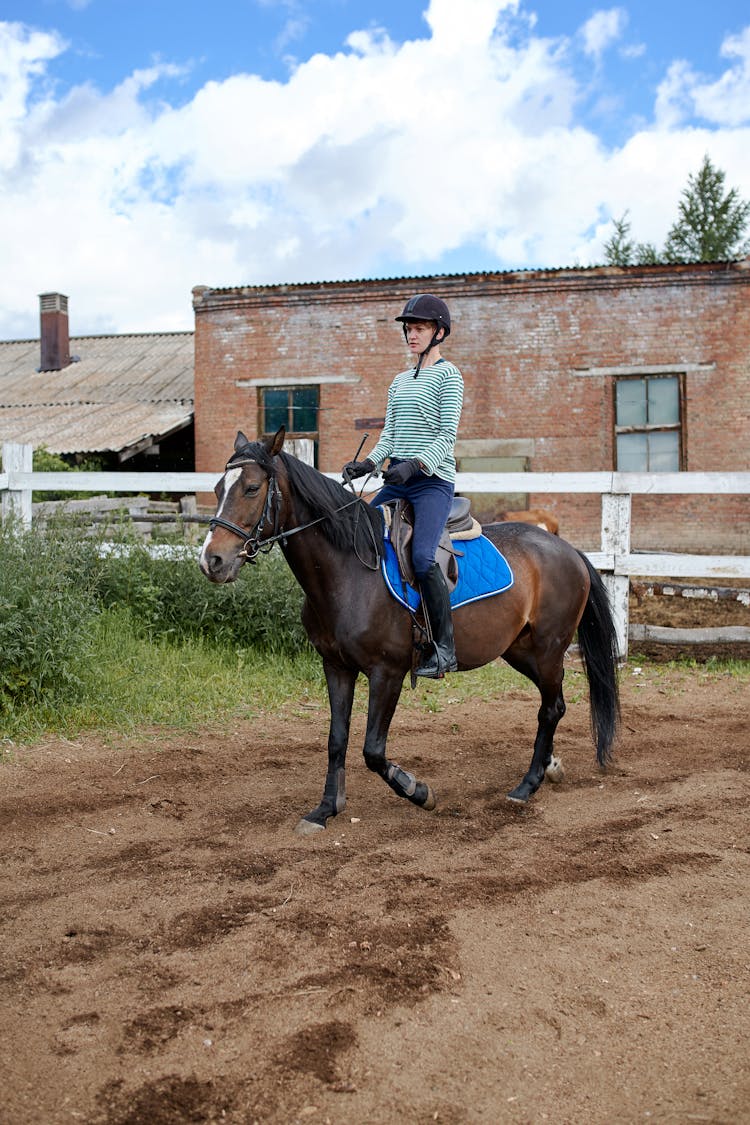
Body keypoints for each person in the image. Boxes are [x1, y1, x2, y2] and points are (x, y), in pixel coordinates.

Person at [342, 293, 464, 678]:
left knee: (424, 557)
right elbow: (390, 436)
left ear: (439, 332)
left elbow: (447, 436)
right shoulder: (398, 381)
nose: (412, 335)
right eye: (409, 329)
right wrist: (368, 463)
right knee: (357, 534)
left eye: (420, 328)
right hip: (399, 479)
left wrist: (415, 466)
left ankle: (444, 649)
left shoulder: (450, 376)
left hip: (431, 483)